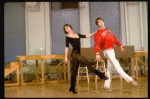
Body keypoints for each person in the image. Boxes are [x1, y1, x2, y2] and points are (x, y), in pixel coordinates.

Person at [94, 17, 138, 92]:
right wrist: (97, 53)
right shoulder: (99, 33)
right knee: (116, 64)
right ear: (97, 24)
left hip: (112, 51)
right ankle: (130, 79)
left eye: (101, 21)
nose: (100, 22)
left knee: (109, 69)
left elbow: (114, 38)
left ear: (103, 21)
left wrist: (120, 46)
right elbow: (97, 44)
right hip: (107, 51)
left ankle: (106, 85)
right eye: (98, 22)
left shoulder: (108, 30)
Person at [64, 24, 108, 94]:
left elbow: (87, 36)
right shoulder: (68, 37)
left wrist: (95, 32)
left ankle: (72, 87)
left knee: (74, 71)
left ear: (70, 27)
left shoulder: (77, 34)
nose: (67, 29)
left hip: (78, 54)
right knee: (88, 63)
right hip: (74, 54)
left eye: (67, 27)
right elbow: (66, 47)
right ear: (65, 31)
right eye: (65, 29)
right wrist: (65, 57)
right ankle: (101, 75)